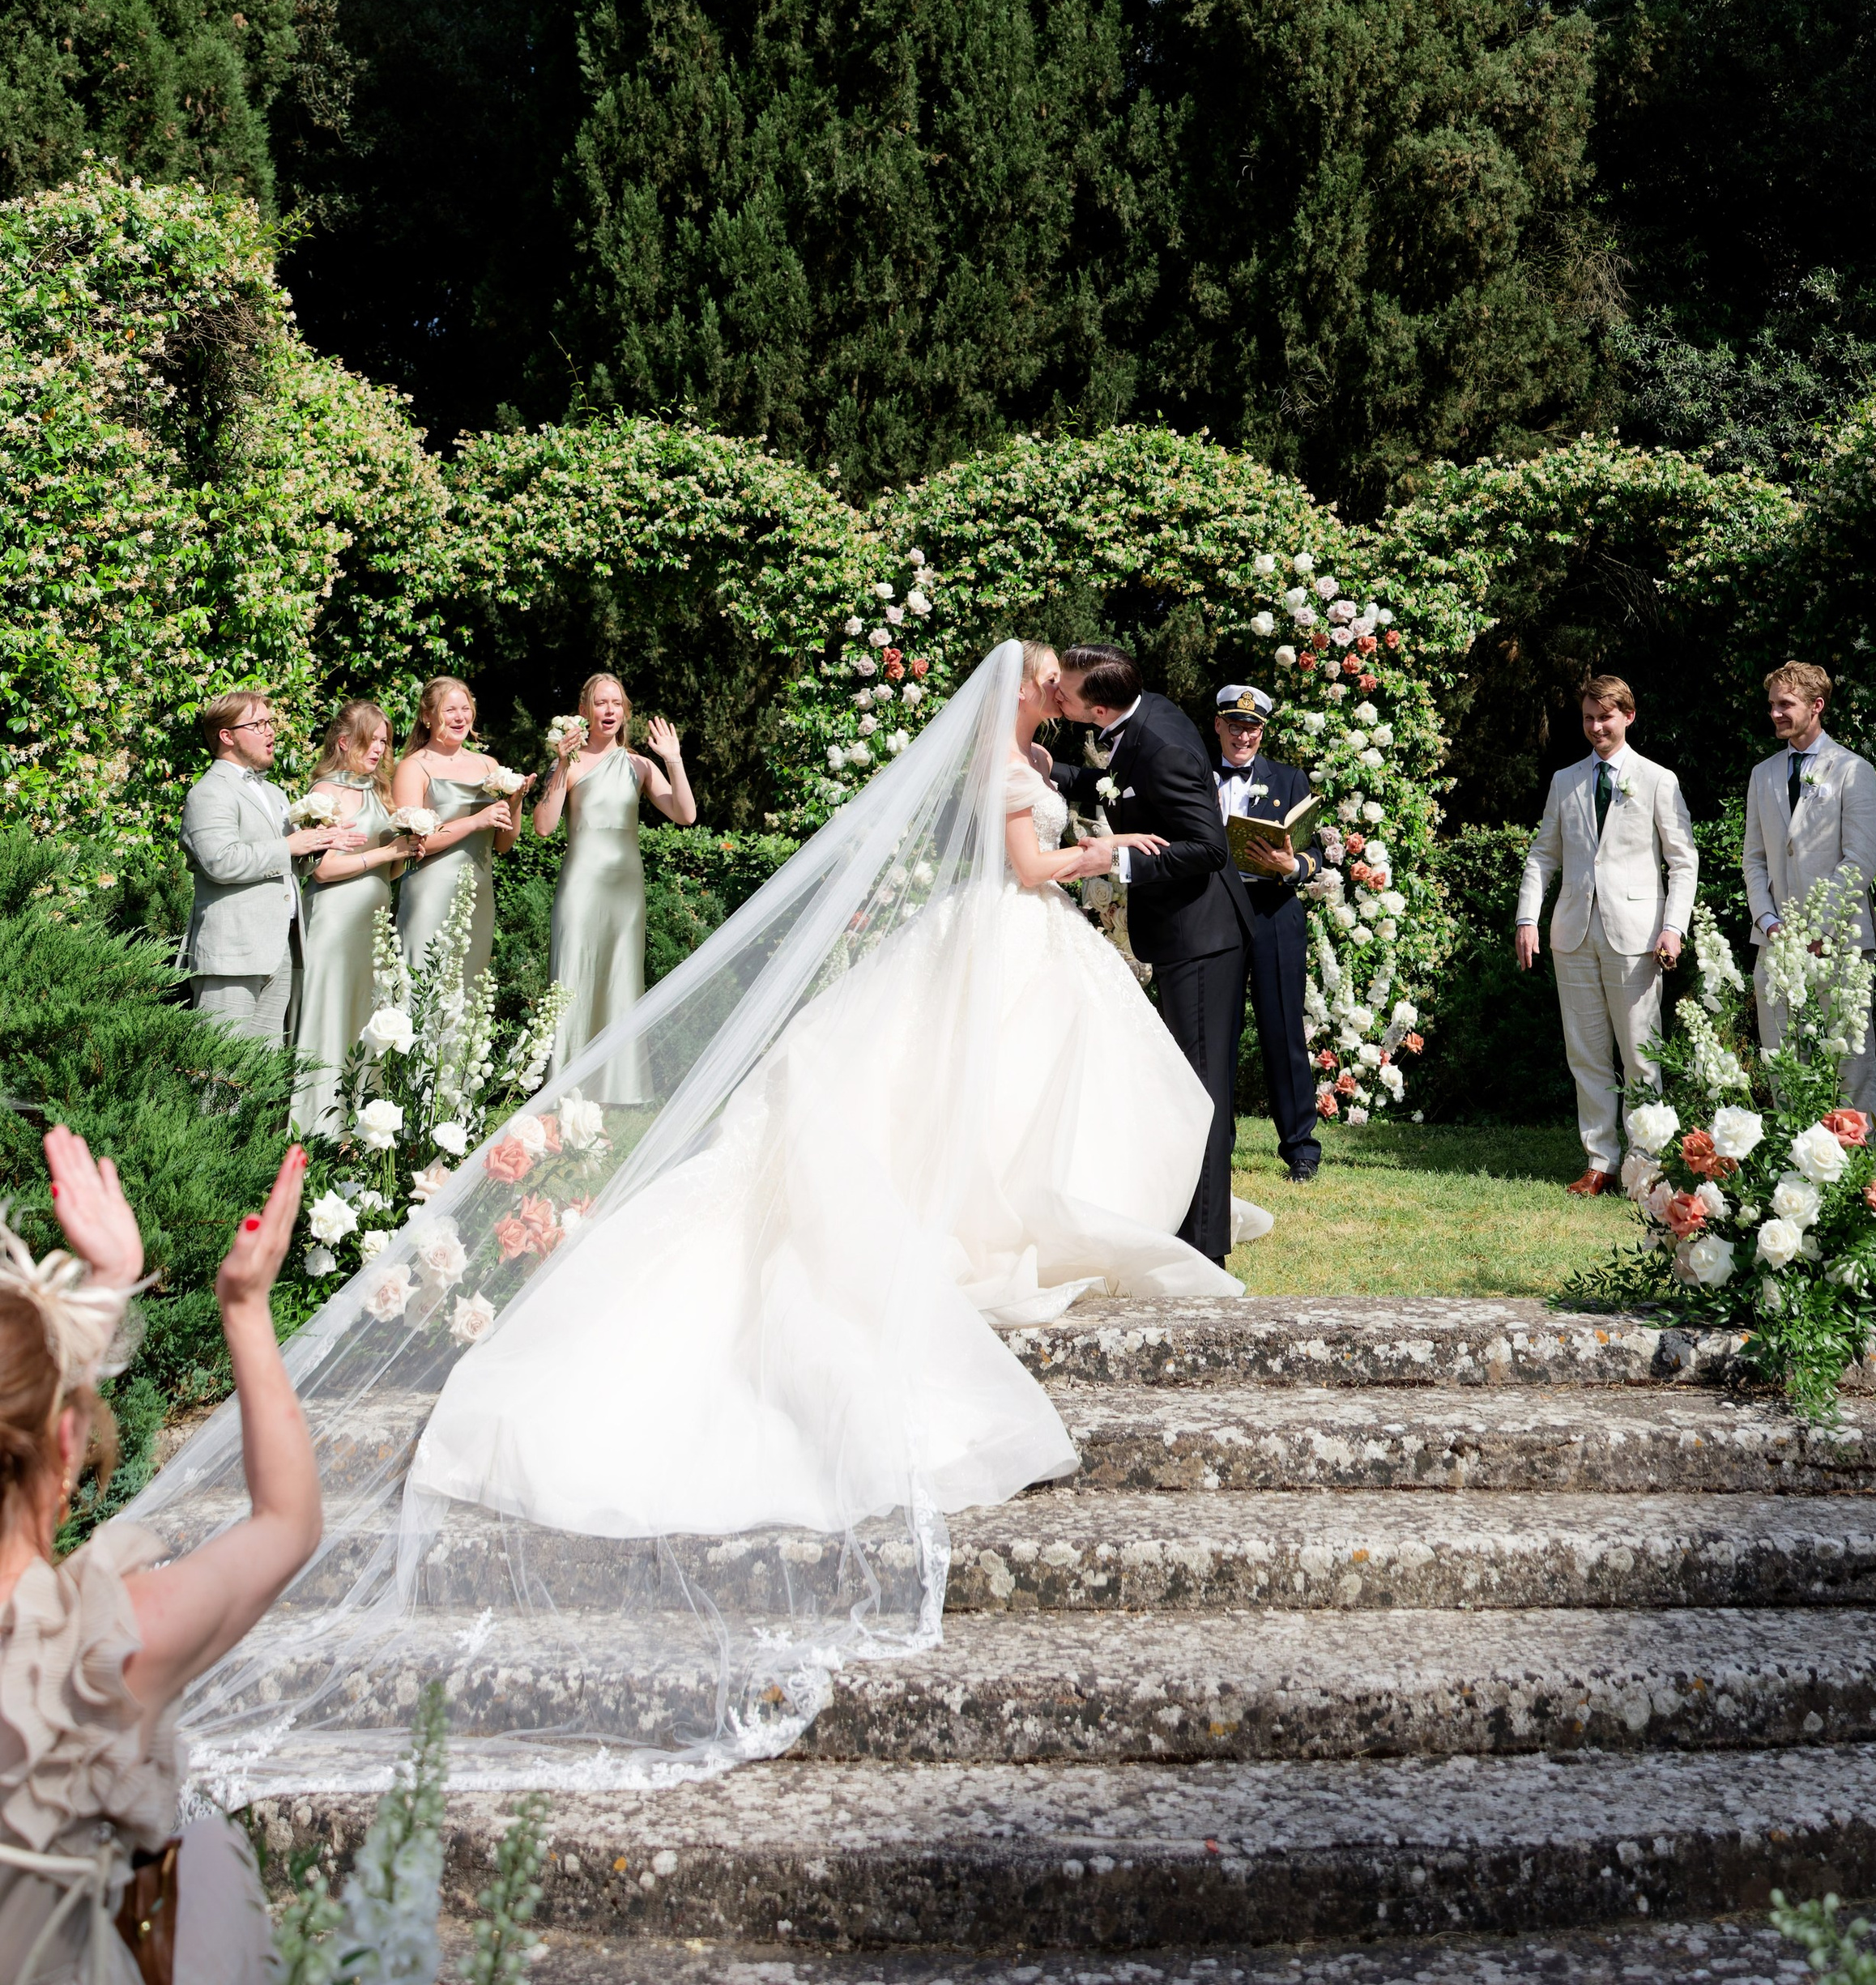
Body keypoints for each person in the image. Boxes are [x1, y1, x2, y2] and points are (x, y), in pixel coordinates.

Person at [137, 640, 1246, 1800]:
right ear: (1025, 687)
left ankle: (1013, 1204)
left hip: (1007, 942)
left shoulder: (1032, 746)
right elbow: (1020, 865)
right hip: (1004, 927)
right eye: (1045, 675)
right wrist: (1101, 849)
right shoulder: (1005, 757)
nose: (1055, 684)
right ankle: (982, 1213)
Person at [0, 1125, 319, 1983]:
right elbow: (287, 1521)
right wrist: (245, 1309)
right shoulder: (109, 1649)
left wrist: (104, 1290)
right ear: (67, 1444)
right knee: (211, 1861)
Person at [1051, 643, 1256, 1267]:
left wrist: (1111, 858)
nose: (1058, 692)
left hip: (1203, 938)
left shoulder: (1162, 744)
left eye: (1067, 688)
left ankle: (1204, 1246)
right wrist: (1054, 774)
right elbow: (1122, 791)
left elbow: (1207, 848)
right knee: (1187, 1087)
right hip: (1188, 934)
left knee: (1200, 1091)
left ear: (1101, 703)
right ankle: (1192, 1227)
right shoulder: (1143, 715)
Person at [1514, 675, 1698, 1195]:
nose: (1597, 727)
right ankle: (1601, 1161)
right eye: (1590, 718)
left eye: (1606, 717)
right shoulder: (1565, 780)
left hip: (1637, 936)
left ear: (1628, 717)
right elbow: (1542, 855)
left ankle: (1646, 1166)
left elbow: (1683, 861)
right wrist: (1528, 918)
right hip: (1573, 932)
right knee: (1586, 1053)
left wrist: (1673, 927)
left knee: (1641, 1054)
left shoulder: (1658, 779)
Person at [535, 673, 697, 1097]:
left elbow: (685, 815)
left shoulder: (638, 765)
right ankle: (564, 1087)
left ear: (625, 711)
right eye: (601, 703)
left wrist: (673, 760)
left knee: (621, 978)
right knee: (572, 974)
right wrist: (559, 767)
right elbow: (544, 827)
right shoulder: (566, 763)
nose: (609, 711)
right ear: (585, 710)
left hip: (625, 890)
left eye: (617, 703)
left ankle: (618, 1086)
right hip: (581, 886)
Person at [1742, 658, 1876, 1112]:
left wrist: (1820, 929)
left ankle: (1861, 1173)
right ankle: (1794, 1171)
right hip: (1776, 942)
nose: (1776, 713)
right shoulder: (1763, 774)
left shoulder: (1852, 770)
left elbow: (1859, 860)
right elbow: (1755, 858)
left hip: (1838, 941)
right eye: (1772, 705)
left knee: (1850, 1062)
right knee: (1782, 1062)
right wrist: (1768, 922)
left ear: (1816, 706)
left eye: (1786, 704)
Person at [177, 690, 351, 1047]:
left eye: (270, 723)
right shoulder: (208, 792)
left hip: (280, 948)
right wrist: (289, 846)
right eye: (258, 724)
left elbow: (287, 867)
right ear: (227, 736)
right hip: (232, 952)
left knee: (261, 1074)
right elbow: (220, 861)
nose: (270, 732)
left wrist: (317, 845)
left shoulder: (274, 793)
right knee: (219, 1076)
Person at [1210, 683, 1322, 1182]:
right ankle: (1215, 1146)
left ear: (1263, 731)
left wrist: (1292, 863)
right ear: (1218, 725)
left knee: (1283, 1032)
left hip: (1275, 912)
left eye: (1253, 727)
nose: (1244, 735)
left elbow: (1315, 852)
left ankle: (1300, 1148)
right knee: (1216, 1034)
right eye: (1235, 724)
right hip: (1214, 912)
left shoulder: (1290, 778)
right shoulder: (1195, 774)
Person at [295, 699, 413, 1134]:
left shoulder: (379, 792)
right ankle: (316, 1127)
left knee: (367, 1017)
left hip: (376, 921)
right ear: (345, 742)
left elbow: (391, 869)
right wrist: (385, 852)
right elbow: (322, 870)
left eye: (385, 740)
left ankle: (363, 1125)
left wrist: (405, 852)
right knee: (332, 1012)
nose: (381, 748)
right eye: (372, 739)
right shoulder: (324, 793)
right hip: (335, 921)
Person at [392, 675, 531, 989]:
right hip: (430, 895)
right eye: (449, 710)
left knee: (468, 991)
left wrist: (516, 801)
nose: (460, 717)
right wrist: (474, 821)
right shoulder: (413, 767)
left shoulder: (488, 764)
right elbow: (412, 843)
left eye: (465, 709)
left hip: (478, 897)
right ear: (427, 716)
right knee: (425, 986)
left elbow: (504, 844)